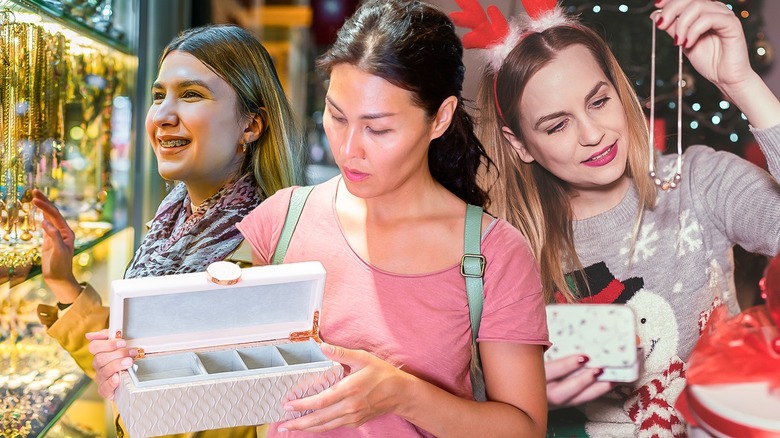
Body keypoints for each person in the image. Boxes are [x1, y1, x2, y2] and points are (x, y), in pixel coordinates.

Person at [88, 1, 550, 436]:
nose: (349, 149)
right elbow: (209, 384)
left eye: (378, 128)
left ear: (440, 117)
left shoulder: (492, 253)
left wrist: (405, 395)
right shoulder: (279, 220)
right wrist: (129, 372)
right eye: (336, 116)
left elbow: (525, 428)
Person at [467, 0, 780, 435]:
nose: (593, 134)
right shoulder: (498, 249)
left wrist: (741, 83)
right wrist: (525, 399)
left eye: (598, 101)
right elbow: (466, 397)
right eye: (557, 125)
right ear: (518, 143)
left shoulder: (699, 181)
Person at [33, 23, 307, 438]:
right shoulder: (172, 222)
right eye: (159, 96)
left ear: (251, 126)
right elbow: (136, 365)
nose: (162, 116)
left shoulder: (266, 253)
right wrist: (63, 282)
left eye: (192, 94)